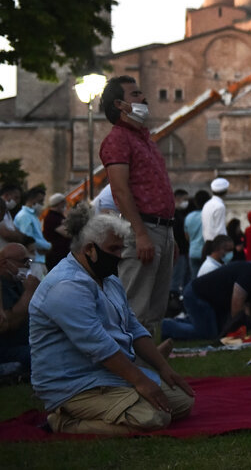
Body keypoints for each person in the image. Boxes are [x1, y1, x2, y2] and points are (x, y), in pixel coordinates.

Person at [29, 206, 193, 435]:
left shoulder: (108, 279)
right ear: (89, 250)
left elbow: (133, 327)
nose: (121, 255)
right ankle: (63, 422)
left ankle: (119, 406)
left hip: (107, 375)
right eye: (114, 249)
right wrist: (140, 380)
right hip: (75, 384)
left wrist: (163, 368)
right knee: (155, 417)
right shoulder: (66, 286)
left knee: (182, 402)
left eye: (121, 248)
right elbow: (97, 344)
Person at [98, 75, 177, 336]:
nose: (143, 99)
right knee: (134, 308)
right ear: (120, 104)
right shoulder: (118, 139)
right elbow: (120, 189)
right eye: (136, 95)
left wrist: (168, 235)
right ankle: (131, 372)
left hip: (160, 229)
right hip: (144, 228)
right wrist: (141, 233)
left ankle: (148, 370)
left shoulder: (144, 139)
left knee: (154, 309)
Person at [161, 260, 251, 340]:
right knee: (208, 334)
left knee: (211, 328)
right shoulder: (250, 273)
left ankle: (175, 322)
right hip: (198, 295)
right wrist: (236, 330)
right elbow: (236, 303)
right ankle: (166, 326)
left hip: (204, 297)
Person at [0, 243, 39, 372]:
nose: (27, 266)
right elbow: (8, 324)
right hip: (9, 348)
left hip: (27, 341)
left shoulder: (17, 283)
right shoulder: (3, 286)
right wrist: (29, 293)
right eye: (24, 261)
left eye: (29, 261)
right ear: (5, 263)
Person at [14, 187, 50, 278]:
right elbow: (28, 240)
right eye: (41, 201)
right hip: (33, 261)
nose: (42, 204)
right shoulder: (24, 216)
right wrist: (48, 245)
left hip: (39, 260)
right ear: (32, 200)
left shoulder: (33, 216)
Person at [185, 190, 211, 280]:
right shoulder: (210, 215)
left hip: (193, 252)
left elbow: (187, 236)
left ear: (195, 202)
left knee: (194, 279)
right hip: (208, 252)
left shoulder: (189, 217)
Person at [42, 194, 72, 271]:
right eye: (64, 203)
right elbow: (67, 233)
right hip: (56, 256)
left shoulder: (58, 216)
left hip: (61, 254)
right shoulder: (52, 218)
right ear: (60, 203)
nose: (65, 205)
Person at [202, 178, 229, 255]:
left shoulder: (207, 204)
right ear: (226, 191)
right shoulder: (220, 206)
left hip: (207, 244)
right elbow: (220, 230)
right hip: (217, 247)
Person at [0, 184, 31, 249]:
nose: (18, 201)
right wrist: (25, 240)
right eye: (16, 197)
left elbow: (14, 230)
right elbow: (6, 233)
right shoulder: (2, 211)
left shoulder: (7, 213)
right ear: (6, 195)